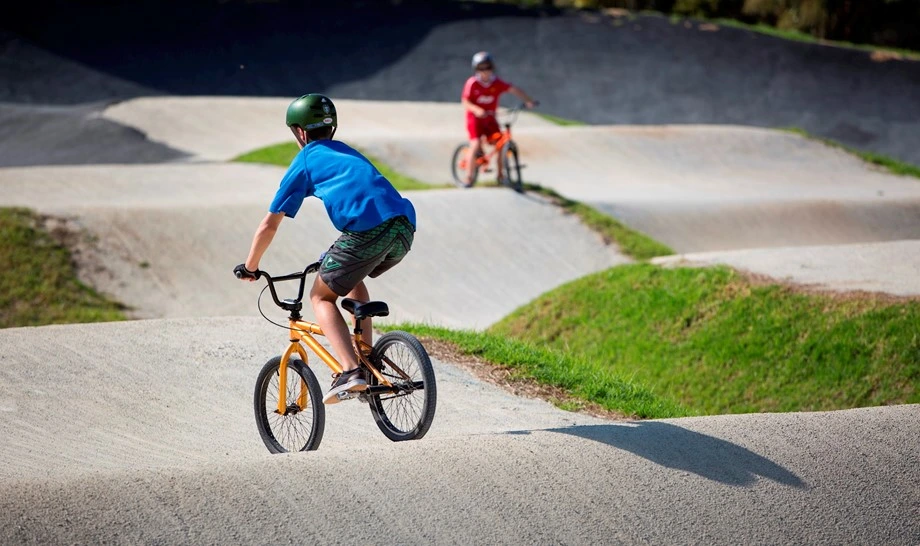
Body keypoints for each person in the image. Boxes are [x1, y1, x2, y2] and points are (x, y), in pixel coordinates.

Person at [234, 93, 416, 405]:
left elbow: (269, 225)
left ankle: (350, 370)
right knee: (349, 275)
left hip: (366, 230)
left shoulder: (306, 158)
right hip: (403, 227)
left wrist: (250, 266)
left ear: (300, 132)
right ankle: (367, 359)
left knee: (321, 296)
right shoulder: (345, 150)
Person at [460, 51, 536, 187]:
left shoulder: (496, 83)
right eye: (481, 68)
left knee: (501, 143)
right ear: (476, 69)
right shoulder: (472, 83)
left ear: (492, 67)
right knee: (476, 144)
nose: (485, 71)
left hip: (490, 119)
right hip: (475, 120)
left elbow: (513, 90)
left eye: (487, 67)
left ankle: (501, 175)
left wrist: (528, 100)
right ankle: (469, 177)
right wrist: (477, 110)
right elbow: (465, 101)